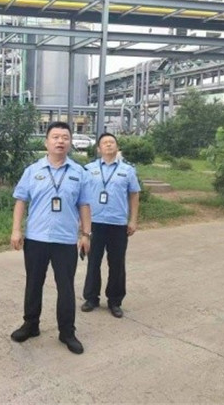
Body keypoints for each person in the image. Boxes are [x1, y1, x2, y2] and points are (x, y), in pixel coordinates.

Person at [10, 121, 92, 355]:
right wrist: (16, 230)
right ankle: (31, 324)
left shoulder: (79, 173)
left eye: (65, 137)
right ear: (46, 142)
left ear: (70, 142)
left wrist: (86, 234)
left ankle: (67, 332)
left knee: (66, 287)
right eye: (55, 137)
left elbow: (85, 205)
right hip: (36, 238)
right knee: (33, 283)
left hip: (65, 240)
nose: (60, 141)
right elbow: (21, 201)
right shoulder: (32, 171)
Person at [81, 132, 140, 319]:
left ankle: (115, 301)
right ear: (98, 149)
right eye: (104, 143)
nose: (108, 145)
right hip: (95, 223)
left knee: (117, 264)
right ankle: (91, 298)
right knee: (93, 262)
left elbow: (134, 195)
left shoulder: (127, 170)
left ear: (117, 147)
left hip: (118, 224)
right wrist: (82, 224)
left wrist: (133, 220)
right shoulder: (88, 169)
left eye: (111, 142)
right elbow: (81, 197)